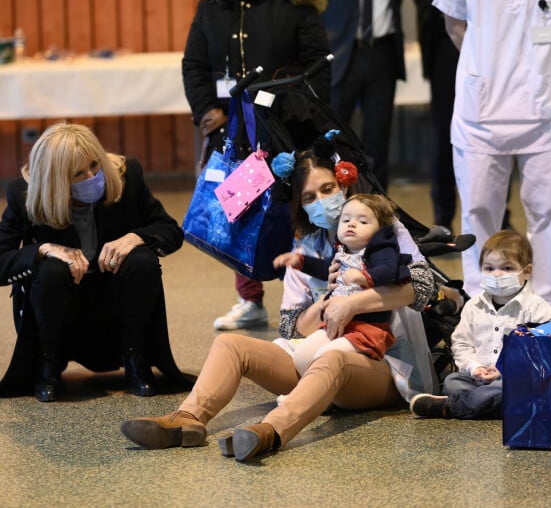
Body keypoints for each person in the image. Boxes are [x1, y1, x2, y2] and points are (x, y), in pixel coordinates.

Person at [120, 146, 436, 462]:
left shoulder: (384, 226)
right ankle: (188, 420)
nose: (322, 201)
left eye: (328, 189)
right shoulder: (305, 247)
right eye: (310, 197)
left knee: (331, 361)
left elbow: (421, 286)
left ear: (344, 185)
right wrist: (327, 300)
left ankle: (269, 432)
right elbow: (291, 326)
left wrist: (353, 304)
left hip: (379, 363)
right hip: (317, 353)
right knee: (230, 345)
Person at [182, 0, 331, 331]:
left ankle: (304, 297)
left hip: (287, 133)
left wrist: (293, 108)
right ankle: (250, 301)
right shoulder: (210, 8)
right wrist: (205, 110)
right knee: (238, 214)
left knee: (295, 214)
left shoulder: (294, 4)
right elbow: (194, 65)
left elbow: (318, 64)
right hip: (235, 136)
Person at [432, 0, 551, 308]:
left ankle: (547, 307)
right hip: (480, 114)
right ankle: (482, 303)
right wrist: (491, 65)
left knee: (548, 216)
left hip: (546, 113)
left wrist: (535, 69)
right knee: (479, 214)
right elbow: (454, 25)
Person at [0, 123, 188, 402]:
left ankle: (137, 362)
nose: (92, 177)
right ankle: (47, 366)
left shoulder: (126, 174)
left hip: (113, 301)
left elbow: (171, 230)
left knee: (142, 260)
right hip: (59, 308)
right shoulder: (23, 193)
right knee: (50, 269)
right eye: (78, 174)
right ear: (55, 181)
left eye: (94, 165)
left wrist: (136, 237)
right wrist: (43, 250)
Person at [410, 230, 551, 419]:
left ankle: (450, 407)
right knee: (452, 382)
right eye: (489, 268)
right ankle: (488, 404)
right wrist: (474, 368)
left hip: (514, 378)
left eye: (507, 268)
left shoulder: (537, 309)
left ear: (527, 271)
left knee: (510, 388)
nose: (497, 274)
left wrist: (506, 368)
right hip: (478, 380)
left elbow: (546, 350)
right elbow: (461, 343)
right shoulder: (473, 306)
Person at [302, 0, 405, 191]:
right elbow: (307, 7)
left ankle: (379, 213)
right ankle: (331, 209)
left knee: (378, 142)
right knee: (331, 139)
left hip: (382, 52)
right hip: (341, 55)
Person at [273, 193, 411, 375]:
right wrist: (300, 261)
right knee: (302, 356)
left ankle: (312, 396)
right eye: (346, 220)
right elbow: (324, 269)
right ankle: (314, 391)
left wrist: (366, 276)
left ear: (380, 229)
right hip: (338, 324)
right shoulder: (341, 251)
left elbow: (389, 270)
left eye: (363, 222)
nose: (352, 224)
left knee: (326, 358)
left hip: (368, 328)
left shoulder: (380, 249)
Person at [409, 0, 487, 231]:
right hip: (442, 45)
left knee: (490, 130)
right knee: (444, 132)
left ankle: (498, 215)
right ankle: (443, 217)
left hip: (487, 41)